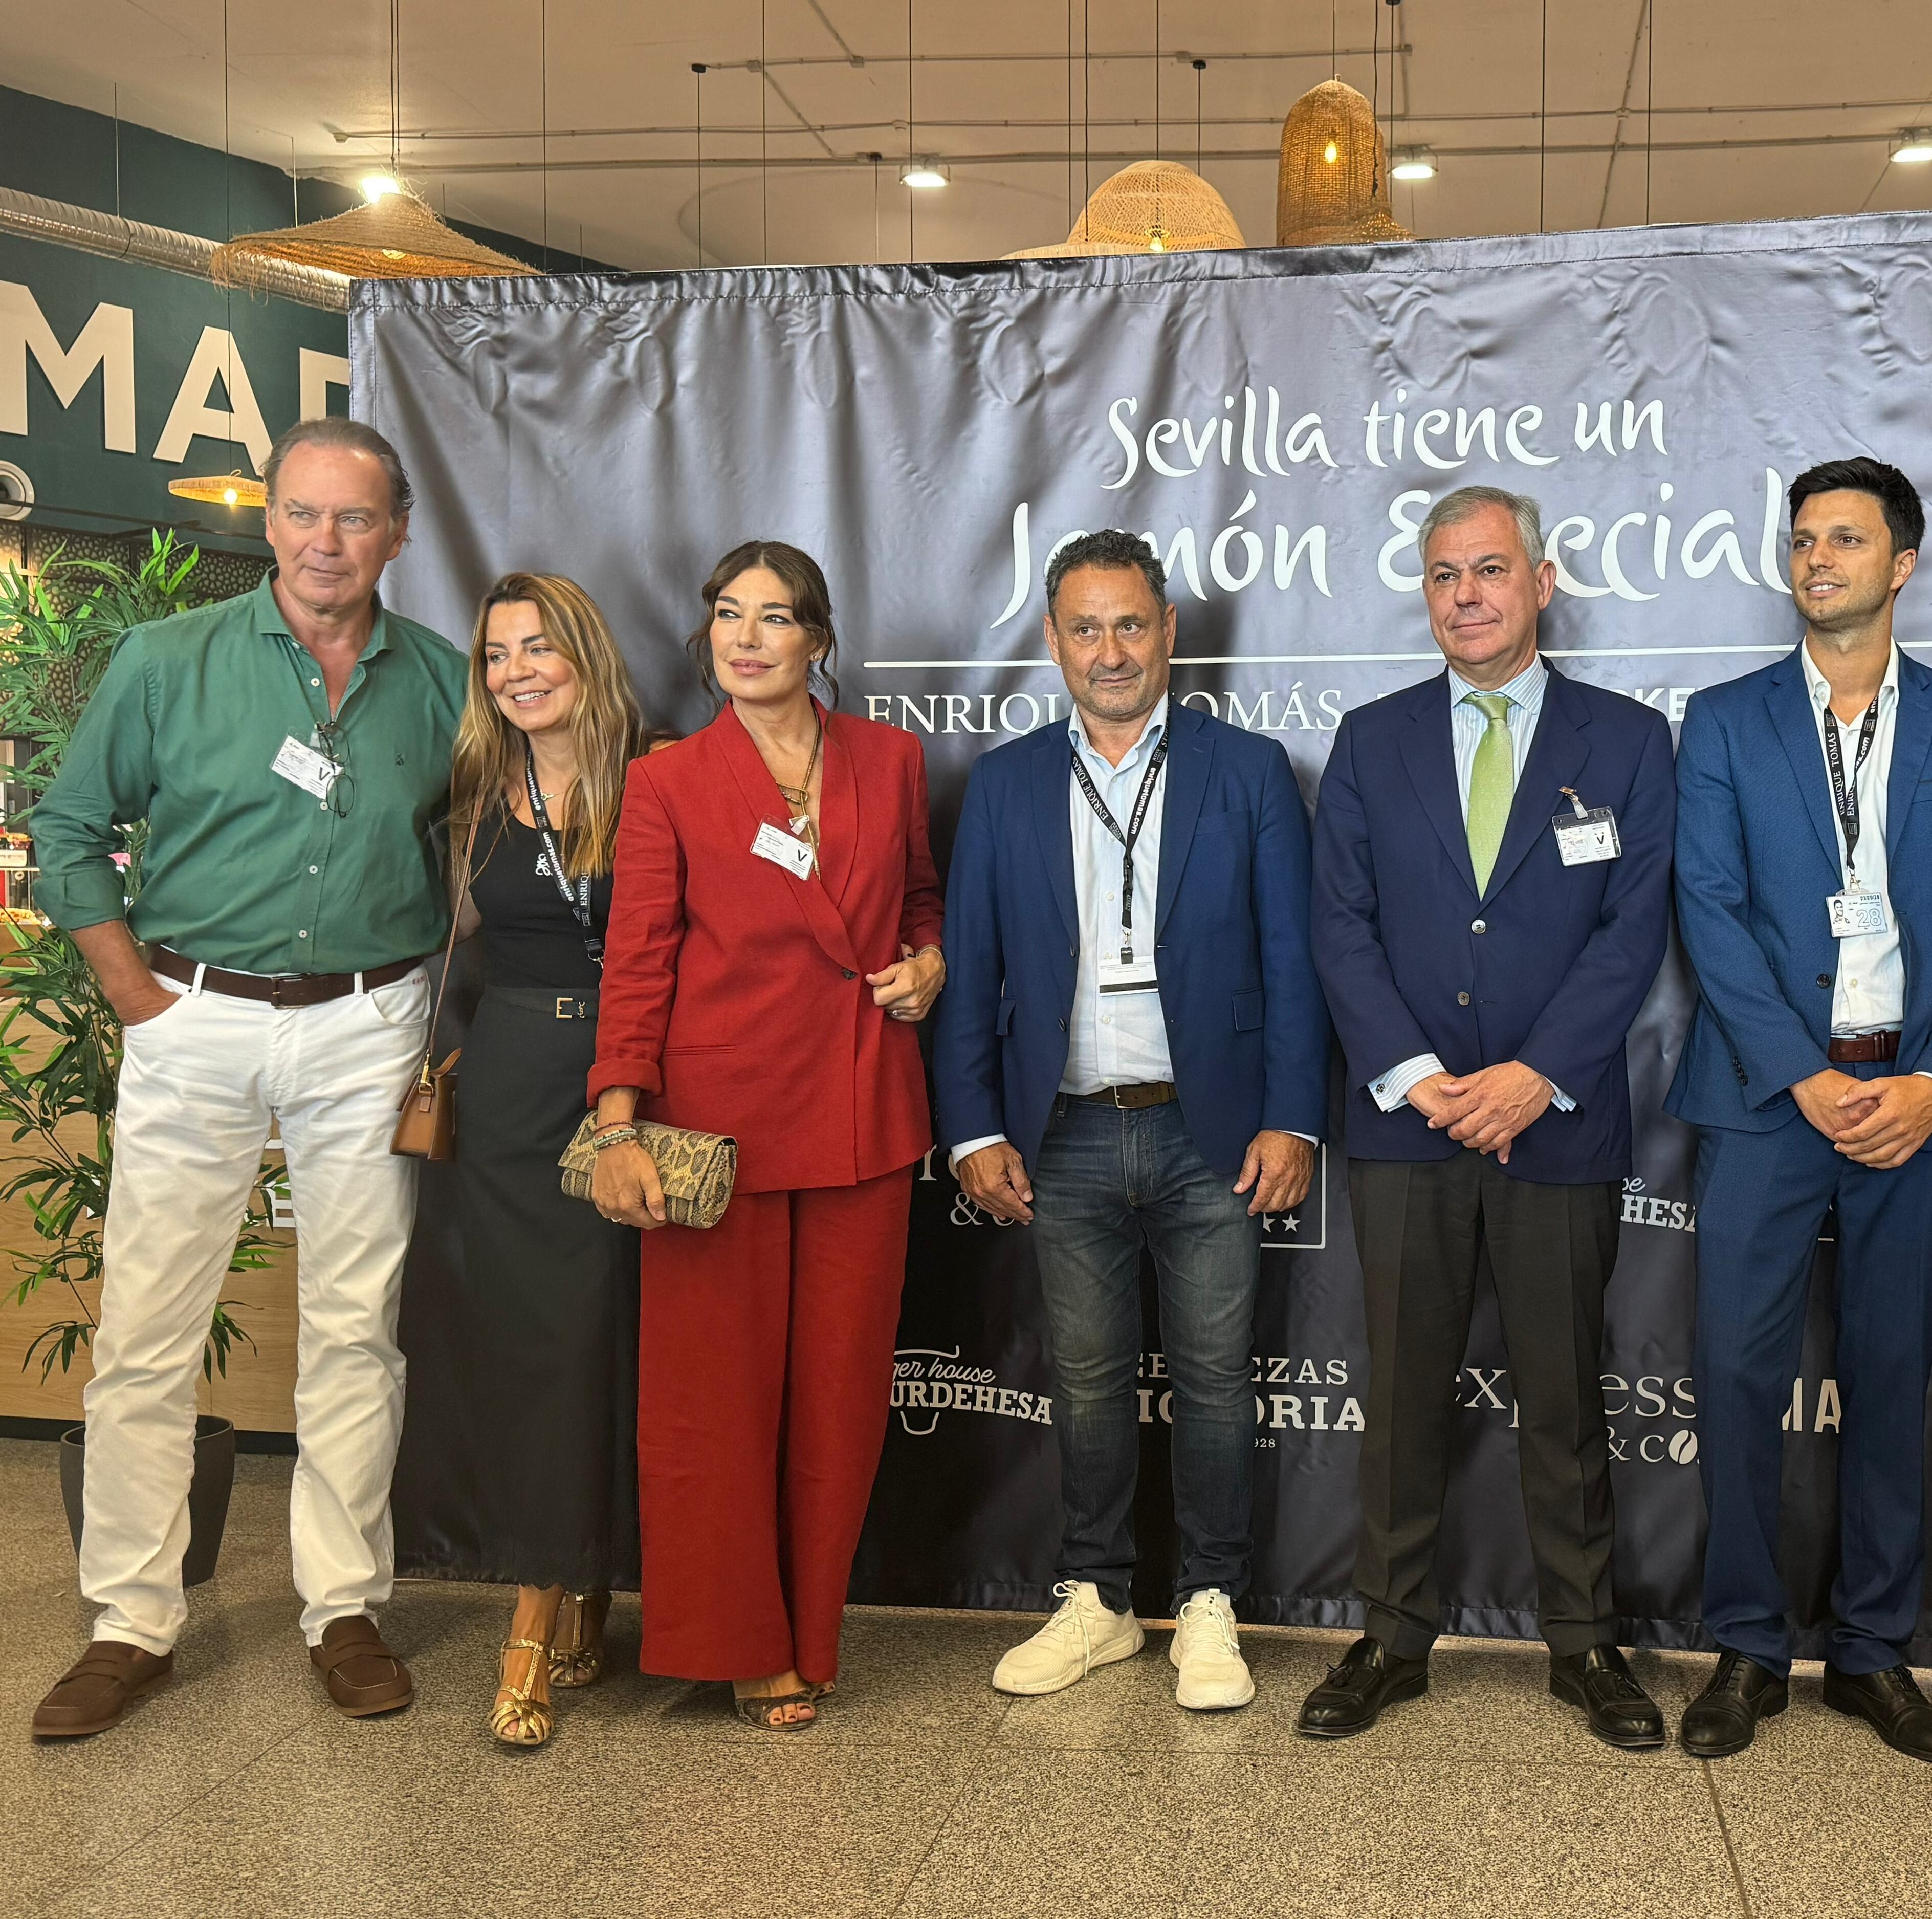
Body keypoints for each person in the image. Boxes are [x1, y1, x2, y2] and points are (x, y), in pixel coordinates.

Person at [28, 417, 468, 1739]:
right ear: (267, 522)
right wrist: (133, 996)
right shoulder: (171, 661)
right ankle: (131, 1620)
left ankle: (342, 1605)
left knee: (354, 1324)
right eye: (302, 515)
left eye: (354, 518)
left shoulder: (445, 681)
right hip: (194, 1015)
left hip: (365, 1023)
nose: (325, 542)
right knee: (148, 1328)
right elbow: (67, 830)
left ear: (398, 532)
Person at [1665, 456, 1932, 1768]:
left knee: (1890, 1377)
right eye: (1804, 539)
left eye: (1847, 540)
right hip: (1770, 1097)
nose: (1819, 559)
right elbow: (1705, 906)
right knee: (1739, 1375)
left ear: (1902, 564)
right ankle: (1747, 1648)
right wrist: (1807, 1077)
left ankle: (1875, 1655)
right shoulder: (1721, 721)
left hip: (1917, 1098)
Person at [1300, 484, 1675, 1749]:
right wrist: (1416, 1075)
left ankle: (1584, 1642)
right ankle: (1391, 1637)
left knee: (1565, 1399)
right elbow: (1338, 929)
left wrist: (1535, 1075)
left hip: (1554, 1122)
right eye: (1444, 574)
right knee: (1400, 1394)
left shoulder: (1626, 741)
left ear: (1541, 581)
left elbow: (1635, 932)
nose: (1465, 594)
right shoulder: (1370, 739)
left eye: (1489, 570)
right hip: (1410, 1127)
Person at [936, 529, 1328, 1711]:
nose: (1109, 650)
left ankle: (1209, 1604)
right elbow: (972, 968)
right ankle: (1097, 1599)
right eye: (1083, 628)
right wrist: (968, 1130)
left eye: (1129, 624)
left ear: (1168, 633)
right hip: (1060, 1133)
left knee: (1215, 1382)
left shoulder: (1247, 770)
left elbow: (1293, 962)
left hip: (1210, 1133)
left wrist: (1293, 1118)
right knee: (1089, 1383)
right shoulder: (1003, 785)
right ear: (1052, 640)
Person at [585, 541, 946, 1730]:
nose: (746, 637)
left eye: (774, 617)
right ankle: (735, 1642)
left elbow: (918, 899)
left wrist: (927, 963)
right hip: (715, 1131)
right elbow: (636, 957)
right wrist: (619, 1117)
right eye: (727, 616)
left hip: (860, 1111)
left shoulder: (892, 760)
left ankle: (810, 1633)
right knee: (713, 1402)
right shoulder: (671, 780)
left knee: (838, 1397)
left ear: (818, 641)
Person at [390, 573, 644, 1749]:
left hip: (633, 1091)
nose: (517, 671)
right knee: (538, 1350)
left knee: (614, 1345)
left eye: (540, 647)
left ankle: (576, 1586)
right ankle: (547, 1602)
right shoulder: (477, 796)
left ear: (586, 654)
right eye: (497, 655)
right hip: (504, 1097)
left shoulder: (663, 777)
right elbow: (448, 949)